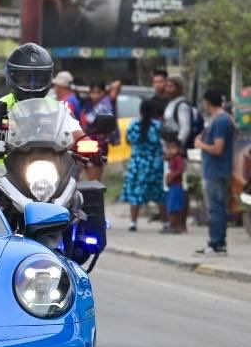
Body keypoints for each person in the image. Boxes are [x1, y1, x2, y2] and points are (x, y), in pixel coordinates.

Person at [0, 43, 83, 151]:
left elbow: (77, 133)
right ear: (11, 76)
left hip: (52, 169)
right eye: (25, 78)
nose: (32, 84)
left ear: (49, 77)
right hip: (4, 172)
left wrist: (89, 147)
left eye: (39, 78)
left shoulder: (60, 108)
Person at [193, 89, 235, 255]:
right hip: (216, 169)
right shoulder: (219, 119)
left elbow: (218, 148)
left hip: (216, 171)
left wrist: (200, 145)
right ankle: (218, 242)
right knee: (217, 207)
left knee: (215, 208)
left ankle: (216, 243)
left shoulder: (221, 121)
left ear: (208, 102)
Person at [122, 100, 164, 232]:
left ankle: (133, 222)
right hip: (154, 163)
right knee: (159, 193)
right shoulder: (158, 126)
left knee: (135, 193)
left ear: (140, 110)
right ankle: (166, 221)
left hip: (137, 163)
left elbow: (128, 141)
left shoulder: (133, 124)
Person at [80, 80, 121, 181]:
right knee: (86, 181)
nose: (96, 95)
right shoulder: (86, 104)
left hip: (99, 146)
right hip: (84, 144)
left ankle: (96, 197)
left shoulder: (107, 102)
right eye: (93, 92)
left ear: (104, 93)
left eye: (99, 92)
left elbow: (117, 84)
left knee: (94, 181)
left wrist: (106, 90)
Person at [163, 139, 188, 234]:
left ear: (178, 149)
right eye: (168, 148)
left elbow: (181, 169)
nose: (170, 150)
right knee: (171, 207)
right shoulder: (171, 159)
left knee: (174, 207)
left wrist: (172, 175)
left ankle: (174, 225)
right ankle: (174, 225)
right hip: (172, 186)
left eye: (173, 148)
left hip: (177, 186)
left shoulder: (178, 158)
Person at [162, 77, 195, 147]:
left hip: (176, 146)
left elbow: (185, 128)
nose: (167, 89)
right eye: (166, 87)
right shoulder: (171, 102)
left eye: (171, 87)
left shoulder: (182, 105)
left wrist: (177, 146)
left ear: (178, 89)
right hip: (168, 143)